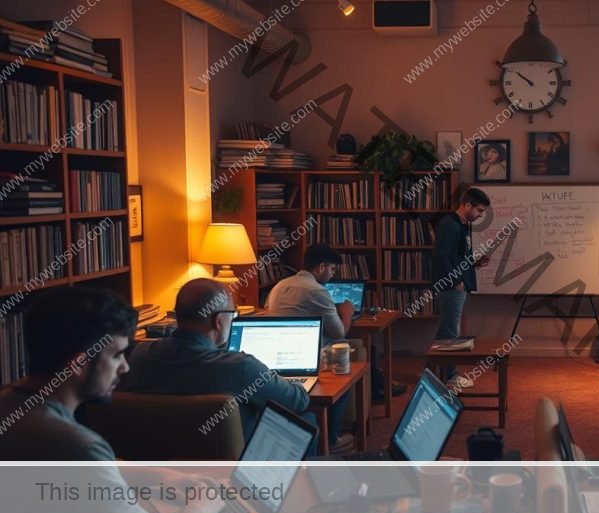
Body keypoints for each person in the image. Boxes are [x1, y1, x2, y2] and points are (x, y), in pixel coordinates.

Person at [0, 287, 223, 513]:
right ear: (79, 363)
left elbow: (84, 470)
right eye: (117, 355)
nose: (125, 368)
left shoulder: (12, 405)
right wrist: (201, 505)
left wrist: (161, 476)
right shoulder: (74, 445)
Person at [120, 279, 329, 450]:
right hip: (233, 468)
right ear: (219, 321)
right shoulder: (241, 367)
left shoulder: (139, 355)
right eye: (233, 314)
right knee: (307, 418)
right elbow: (297, 401)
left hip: (159, 466)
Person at [266, 243, 405, 402]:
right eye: (332, 269)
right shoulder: (316, 290)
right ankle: (373, 392)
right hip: (307, 353)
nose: (332, 274)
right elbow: (339, 332)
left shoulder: (279, 286)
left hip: (277, 353)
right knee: (358, 346)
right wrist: (347, 313)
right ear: (321, 267)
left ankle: (375, 387)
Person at [431, 187, 491, 388]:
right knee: (450, 332)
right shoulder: (450, 225)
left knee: (446, 330)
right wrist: (457, 281)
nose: (481, 215)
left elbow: (455, 256)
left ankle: (431, 372)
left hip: (458, 284)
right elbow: (441, 257)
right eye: (479, 210)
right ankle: (451, 376)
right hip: (451, 287)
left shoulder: (463, 225)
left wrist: (474, 263)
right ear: (467, 205)